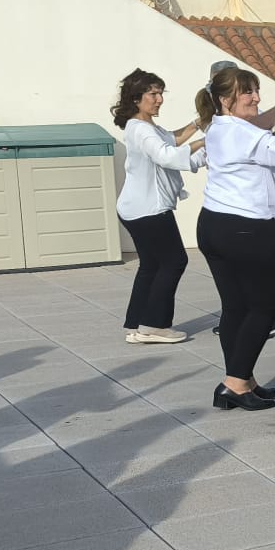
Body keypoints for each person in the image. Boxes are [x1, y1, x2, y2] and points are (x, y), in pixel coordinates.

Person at [195, 67, 275, 411]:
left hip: (214, 224)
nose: (256, 98)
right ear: (225, 100)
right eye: (247, 92)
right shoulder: (247, 135)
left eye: (256, 90)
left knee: (236, 306)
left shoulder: (219, 127)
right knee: (265, 306)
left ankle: (243, 378)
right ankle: (233, 383)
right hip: (247, 228)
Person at [110, 68, 204, 345]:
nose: (159, 99)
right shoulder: (139, 129)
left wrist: (199, 123)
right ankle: (155, 326)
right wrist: (207, 140)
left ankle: (140, 324)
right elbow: (167, 156)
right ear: (136, 98)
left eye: (161, 92)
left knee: (151, 265)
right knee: (175, 261)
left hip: (138, 207)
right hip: (147, 210)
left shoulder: (146, 126)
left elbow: (171, 140)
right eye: (153, 93)